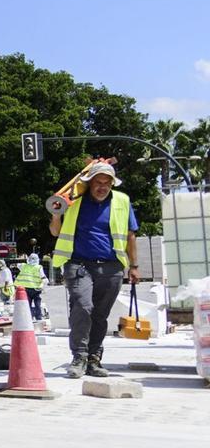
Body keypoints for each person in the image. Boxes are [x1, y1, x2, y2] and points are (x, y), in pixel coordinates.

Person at [48, 161, 139, 379]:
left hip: (112, 267)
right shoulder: (74, 202)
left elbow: (130, 236)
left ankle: (93, 358)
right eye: (98, 182)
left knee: (100, 315)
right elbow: (55, 232)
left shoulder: (123, 201)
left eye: (107, 184)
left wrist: (134, 266)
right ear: (89, 184)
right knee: (83, 306)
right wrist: (56, 214)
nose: (102, 187)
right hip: (79, 265)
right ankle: (78, 356)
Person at [14, 253, 49, 321]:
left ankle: (29, 317)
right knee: (37, 304)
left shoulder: (24, 266)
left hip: (26, 289)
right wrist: (46, 282)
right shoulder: (39, 267)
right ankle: (38, 317)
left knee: (27, 304)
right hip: (36, 289)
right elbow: (43, 277)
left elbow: (18, 265)